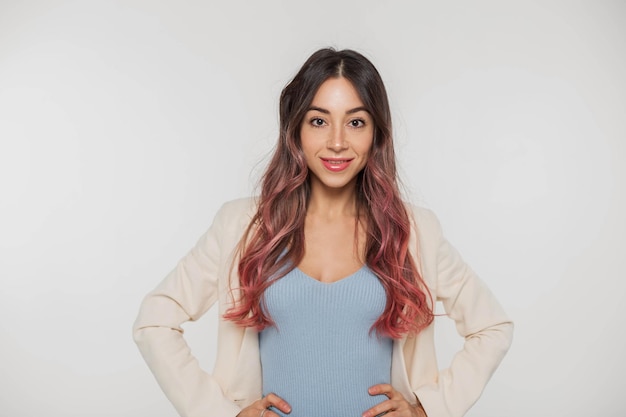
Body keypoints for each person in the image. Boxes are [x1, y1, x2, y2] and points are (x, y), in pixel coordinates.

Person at [133, 48, 513, 417]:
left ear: (376, 133)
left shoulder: (414, 231)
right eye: (318, 121)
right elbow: (155, 320)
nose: (336, 141)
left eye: (355, 122)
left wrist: (429, 408)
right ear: (295, 129)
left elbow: (492, 327)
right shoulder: (242, 226)